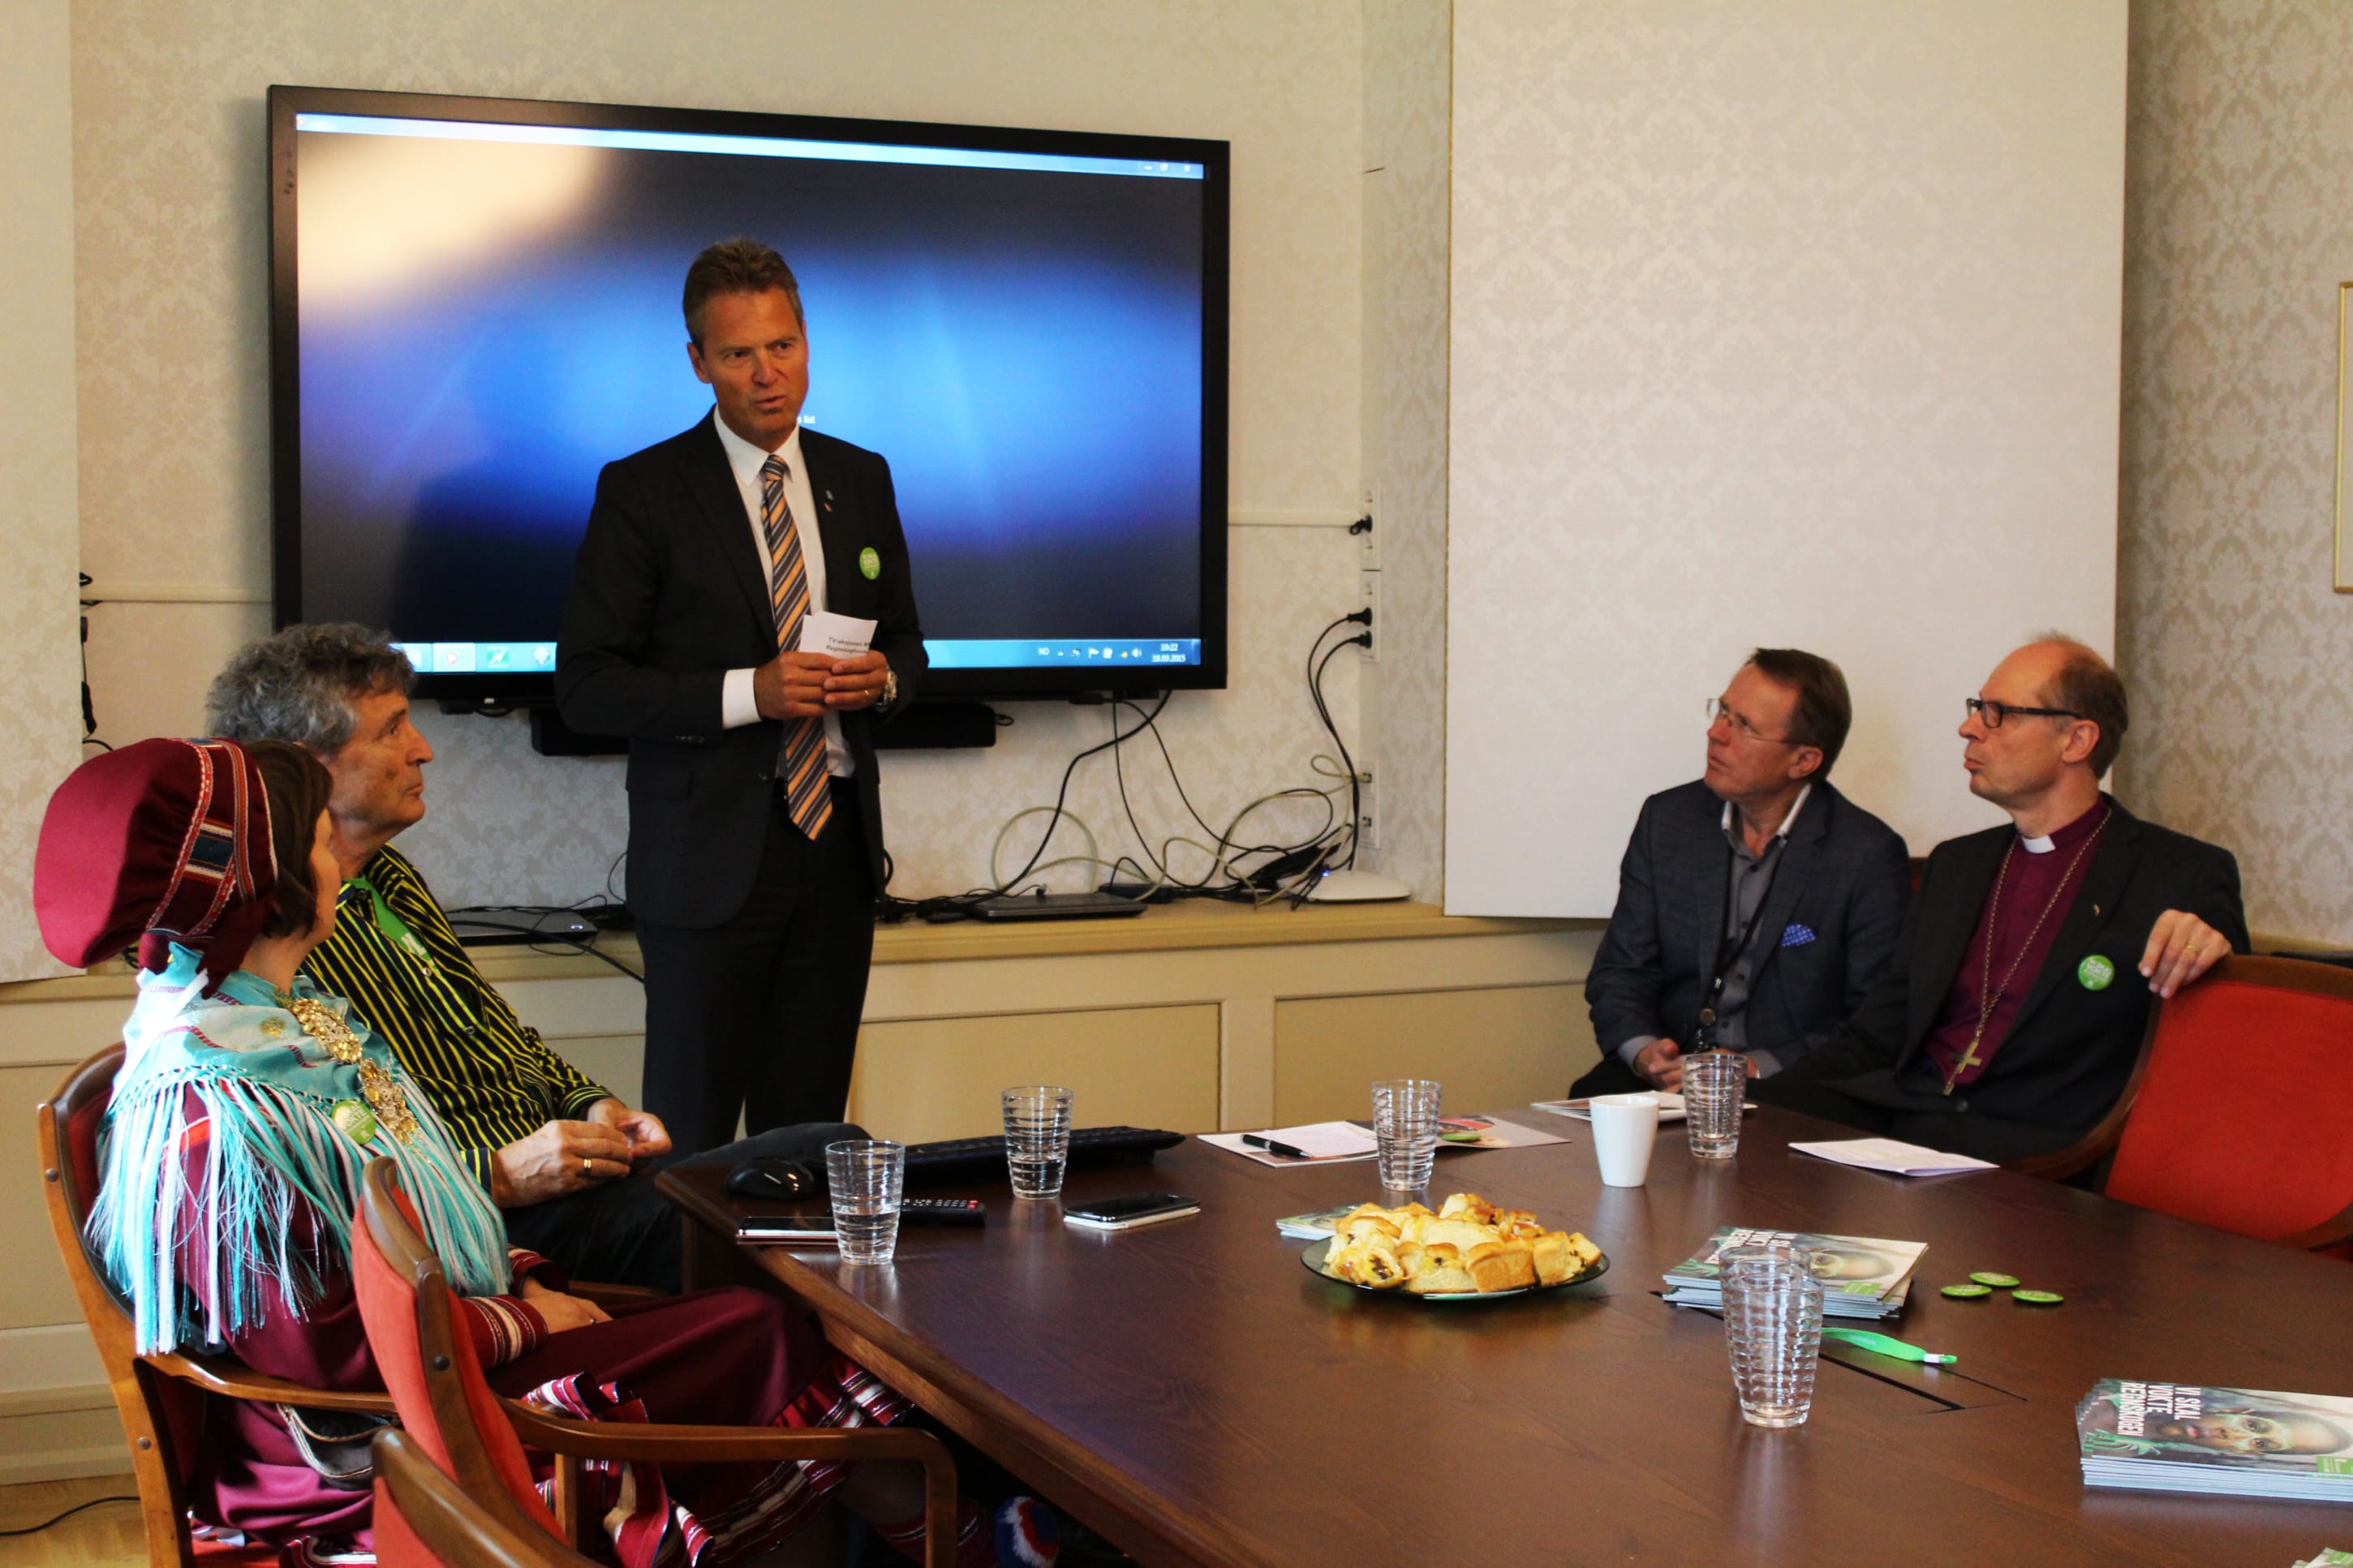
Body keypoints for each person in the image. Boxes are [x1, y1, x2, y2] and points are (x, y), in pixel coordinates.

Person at [32, 737, 1050, 1567]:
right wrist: (521, 1319)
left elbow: (420, 1224)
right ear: (263, 886)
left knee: (763, 1323)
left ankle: (958, 1533)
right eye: (315, 841)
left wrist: (520, 1279)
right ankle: (966, 1538)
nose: (337, 857)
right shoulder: (223, 1108)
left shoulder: (274, 1032)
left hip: (438, 1359)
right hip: (364, 1440)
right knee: (763, 1333)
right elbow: (319, 1351)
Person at [206, 624, 858, 1291]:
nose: (423, 749)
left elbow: (505, 1037)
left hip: (567, 1183)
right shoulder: (279, 934)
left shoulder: (389, 876)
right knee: (821, 1192)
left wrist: (593, 1104)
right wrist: (500, 1172)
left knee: (835, 1152)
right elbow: (338, 1165)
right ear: (309, 765)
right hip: (489, 1219)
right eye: (393, 730)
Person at [557, 238, 926, 1157]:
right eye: (738, 354)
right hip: (707, 864)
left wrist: (883, 680)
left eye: (783, 347)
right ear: (698, 362)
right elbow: (587, 688)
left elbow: (909, 644)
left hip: (835, 853)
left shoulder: (861, 476)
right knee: (689, 1150)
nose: (767, 375)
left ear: (807, 343)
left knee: (808, 1145)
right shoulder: (643, 490)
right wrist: (748, 693)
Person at [1752, 636, 2248, 1162]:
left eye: (1999, 713)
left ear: (2076, 740)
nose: (1969, 727)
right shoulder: (1956, 864)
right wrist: (1752, 1100)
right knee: (1737, 1133)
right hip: (1908, 1117)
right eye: (1977, 708)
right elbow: (1876, 1035)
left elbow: (2225, 1047)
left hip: (2042, 1148)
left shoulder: (2180, 875)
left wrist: (2211, 944)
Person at [1574, 650, 1910, 1098]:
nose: (1716, 733)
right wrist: (1644, 1051)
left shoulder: (1866, 855)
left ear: (1803, 760)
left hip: (1785, 1086)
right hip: (1671, 1074)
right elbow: (1621, 970)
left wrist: (1754, 1067)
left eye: (1745, 726)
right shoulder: (1669, 820)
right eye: (1723, 712)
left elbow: (1873, 1023)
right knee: (1588, 1099)